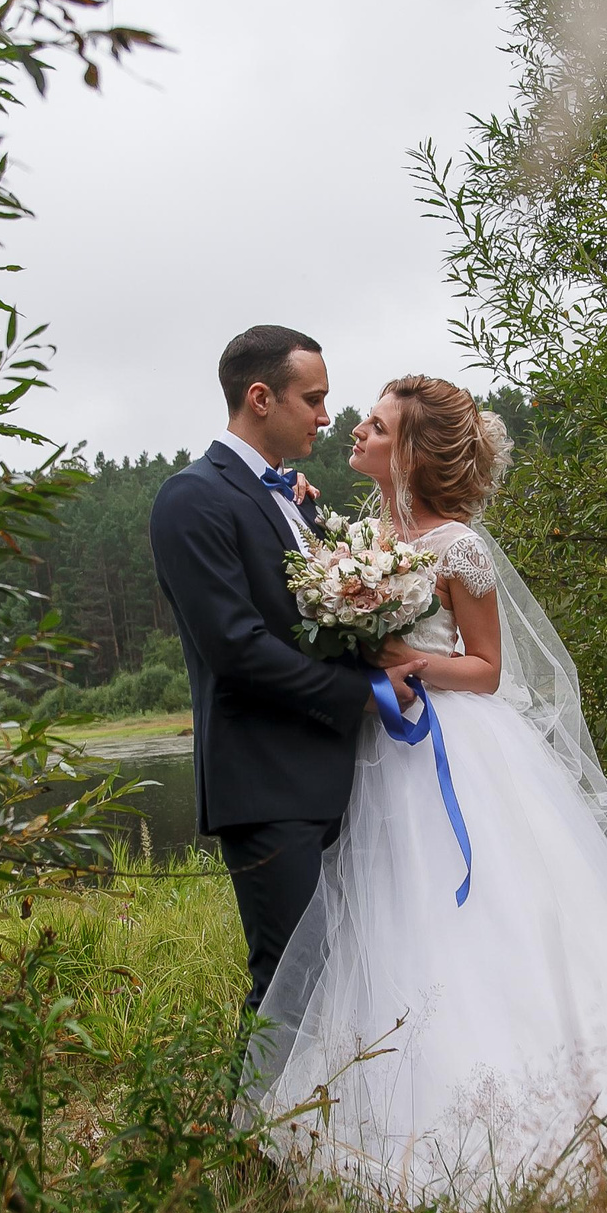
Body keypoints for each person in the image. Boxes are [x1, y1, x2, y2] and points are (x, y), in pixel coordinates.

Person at [247, 375, 607, 1211]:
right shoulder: (358, 535)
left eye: (376, 423)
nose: (356, 425)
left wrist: (408, 665)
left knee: (490, 919)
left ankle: (553, 1127)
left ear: (411, 451)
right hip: (380, 752)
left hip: (455, 750)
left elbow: (489, 670)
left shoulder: (459, 545)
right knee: (393, 917)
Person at [147, 326, 415, 1013]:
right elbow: (236, 649)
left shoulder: (298, 498)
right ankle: (253, 1124)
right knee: (294, 986)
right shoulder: (190, 498)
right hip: (265, 784)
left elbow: (328, 617)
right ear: (260, 397)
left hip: (340, 777)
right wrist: (365, 693)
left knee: (354, 980)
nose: (327, 417)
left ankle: (337, 1125)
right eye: (314, 399)